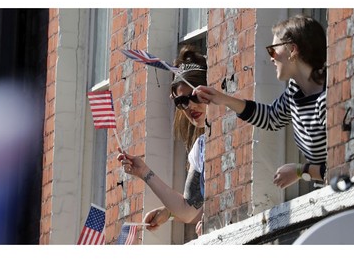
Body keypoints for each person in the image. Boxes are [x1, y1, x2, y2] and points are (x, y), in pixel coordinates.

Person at [194, 14, 327, 189]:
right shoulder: (296, 91)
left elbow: (345, 162)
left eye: (273, 50)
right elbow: (271, 117)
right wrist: (222, 99)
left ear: (293, 50)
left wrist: (300, 171)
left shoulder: (327, 97)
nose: (271, 57)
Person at [117, 45, 208, 237]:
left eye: (194, 96)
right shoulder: (200, 147)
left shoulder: (240, 120)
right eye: (181, 102)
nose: (190, 106)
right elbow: (188, 209)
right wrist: (143, 172)